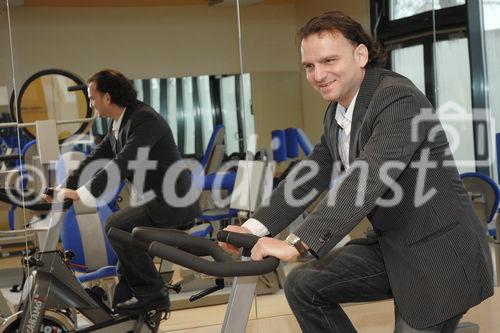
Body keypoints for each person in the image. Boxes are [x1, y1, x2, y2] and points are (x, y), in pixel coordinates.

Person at [223, 11, 494, 332]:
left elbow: (368, 176)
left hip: (439, 256)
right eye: (310, 66)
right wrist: (254, 227)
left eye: (329, 61)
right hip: (392, 246)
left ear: (361, 54)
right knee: (305, 285)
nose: (318, 74)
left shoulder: (397, 98)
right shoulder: (337, 112)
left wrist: (298, 243)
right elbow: (313, 172)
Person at [49, 69, 200, 314]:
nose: (91, 104)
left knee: (115, 225)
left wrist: (83, 194)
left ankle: (154, 295)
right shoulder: (118, 124)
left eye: (92, 98)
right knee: (126, 259)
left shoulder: (144, 119)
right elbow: (94, 158)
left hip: (173, 203)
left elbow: (123, 162)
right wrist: (67, 186)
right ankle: (124, 312)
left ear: (107, 98)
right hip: (156, 201)